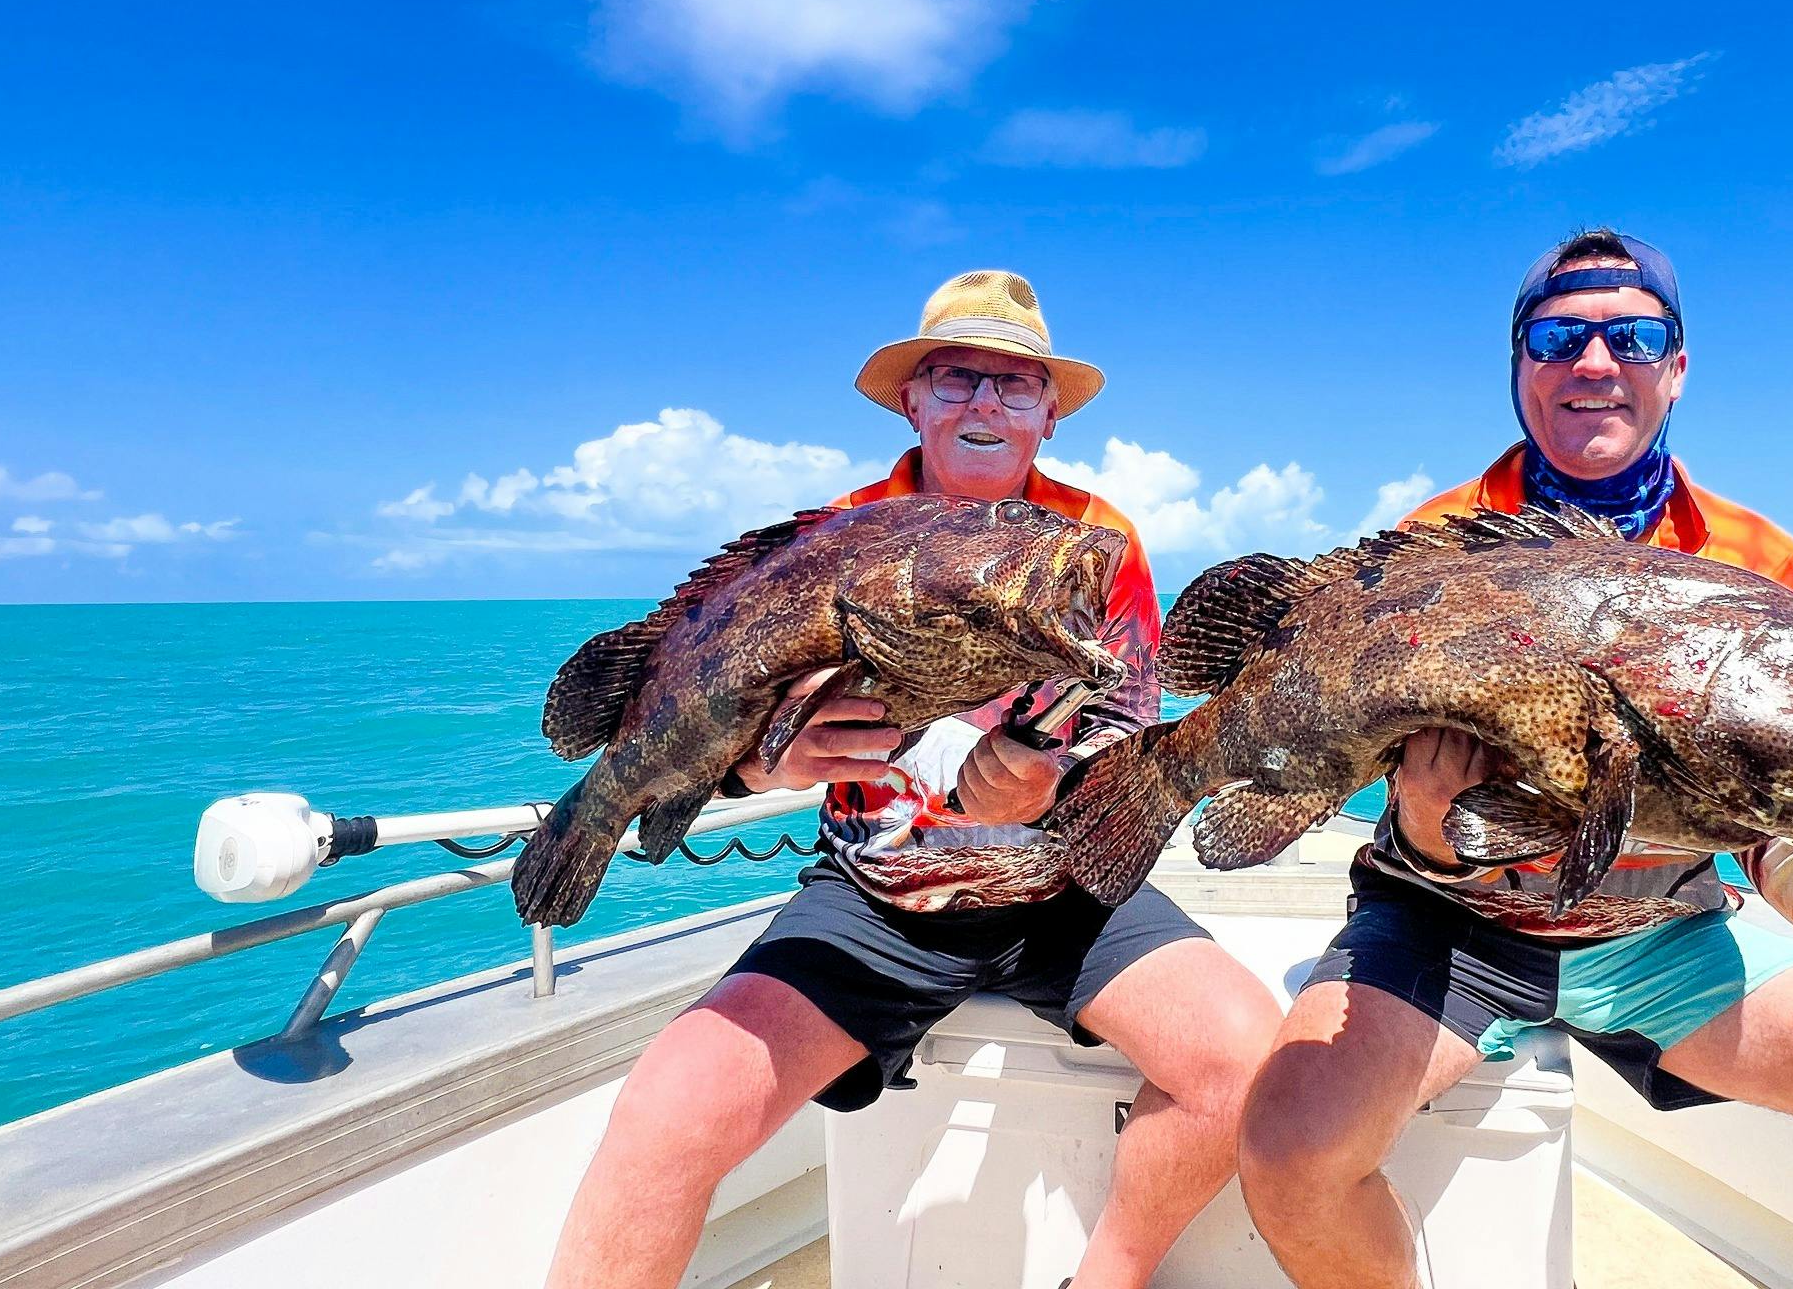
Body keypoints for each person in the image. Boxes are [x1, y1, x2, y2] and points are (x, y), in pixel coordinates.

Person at [1234, 232, 1793, 1289]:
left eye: (1632, 335)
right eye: (1558, 338)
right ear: (1521, 369)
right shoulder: (1443, 543)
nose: (1595, 362)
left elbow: (1762, 825)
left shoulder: (1756, 561)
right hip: (1451, 921)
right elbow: (1377, 764)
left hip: (1669, 931)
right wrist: (1428, 831)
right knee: (1290, 1155)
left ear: (1674, 367)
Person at [545, 271, 1280, 1289]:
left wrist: (1037, 786)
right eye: (958, 379)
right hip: (877, 898)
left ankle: (1104, 1279)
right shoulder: (834, 537)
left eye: (1015, 386)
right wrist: (768, 763)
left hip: (1062, 889)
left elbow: (1120, 749)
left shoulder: (1098, 546)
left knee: (1250, 1064)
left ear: (1050, 414)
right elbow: (719, 735)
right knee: (666, 1113)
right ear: (913, 400)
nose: (986, 404)